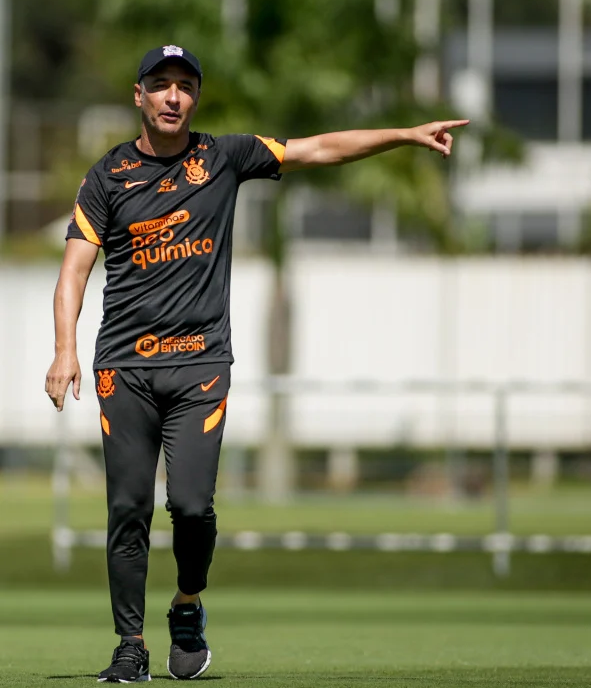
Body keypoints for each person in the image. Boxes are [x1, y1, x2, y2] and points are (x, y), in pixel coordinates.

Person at [44, 44, 468, 683]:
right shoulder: (106, 176)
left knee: (191, 505)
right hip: (123, 369)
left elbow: (318, 149)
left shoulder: (224, 157)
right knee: (127, 508)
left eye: (185, 85)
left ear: (196, 97)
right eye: (160, 84)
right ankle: (130, 645)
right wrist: (64, 349)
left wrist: (404, 134)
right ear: (139, 95)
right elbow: (74, 271)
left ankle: (187, 603)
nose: (173, 96)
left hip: (200, 365)